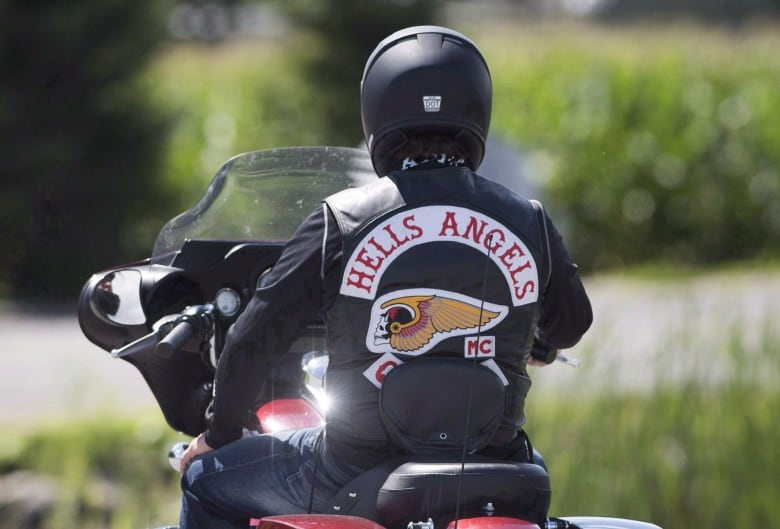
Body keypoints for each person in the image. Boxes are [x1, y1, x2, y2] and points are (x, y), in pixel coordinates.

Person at [178, 25, 592, 529]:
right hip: (497, 467)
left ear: (378, 110)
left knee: (205, 480)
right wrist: (539, 343)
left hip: (350, 469)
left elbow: (253, 339)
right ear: (477, 108)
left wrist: (216, 437)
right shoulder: (529, 219)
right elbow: (572, 323)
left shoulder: (341, 219)